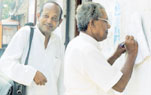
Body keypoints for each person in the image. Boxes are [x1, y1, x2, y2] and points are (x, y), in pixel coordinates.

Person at [64, 2, 138, 95]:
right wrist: (132, 54)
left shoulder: (76, 43)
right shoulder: (87, 50)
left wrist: (115, 56)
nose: (109, 26)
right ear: (92, 23)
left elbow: (97, 71)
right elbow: (120, 85)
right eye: (105, 21)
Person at [0, 1, 64, 95]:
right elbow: (4, 64)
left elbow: (61, 78)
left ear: (60, 22)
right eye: (46, 16)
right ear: (38, 16)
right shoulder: (25, 33)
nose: (49, 21)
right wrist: (31, 74)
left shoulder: (58, 41)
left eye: (54, 18)